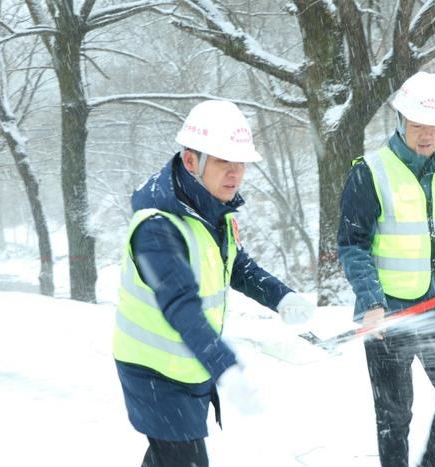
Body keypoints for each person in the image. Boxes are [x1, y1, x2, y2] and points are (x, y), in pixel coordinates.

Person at [113, 99, 315, 467]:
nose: (235, 173)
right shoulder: (157, 227)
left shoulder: (212, 213)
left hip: (188, 366)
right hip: (155, 373)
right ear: (191, 161)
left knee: (166, 459)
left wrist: (282, 298)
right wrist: (225, 366)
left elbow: (238, 267)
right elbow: (181, 306)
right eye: (224, 161)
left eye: (241, 163)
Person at [337, 71, 435, 467]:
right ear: (400, 120)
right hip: (388, 319)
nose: (426, 135)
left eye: (434, 127)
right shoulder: (370, 171)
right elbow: (352, 244)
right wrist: (372, 300)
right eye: (417, 125)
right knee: (394, 418)